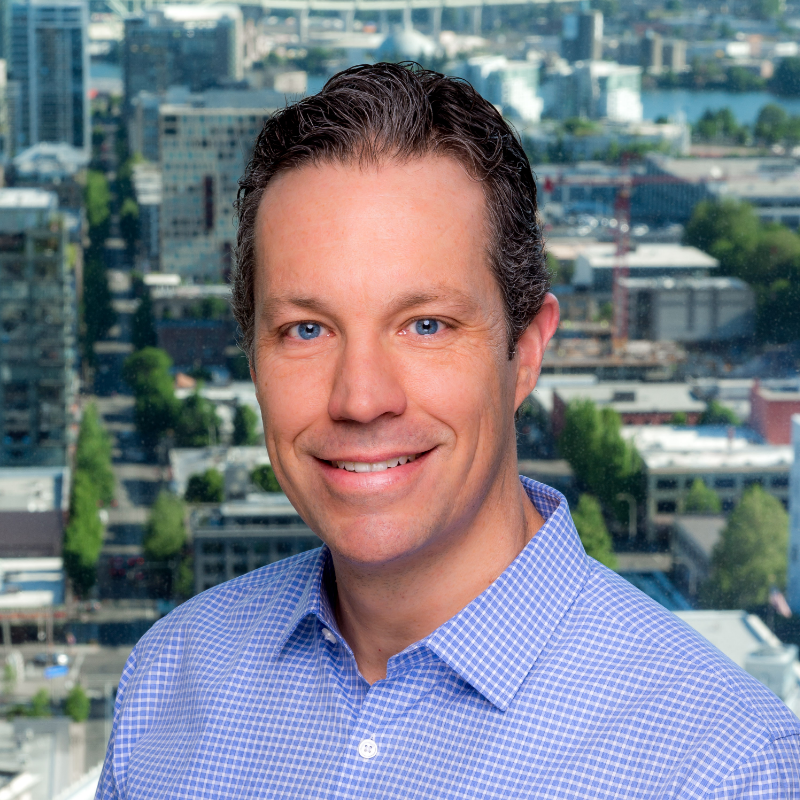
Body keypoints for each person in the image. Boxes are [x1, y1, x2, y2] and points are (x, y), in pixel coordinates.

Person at [97, 64, 800, 799]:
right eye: (306, 329)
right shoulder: (168, 682)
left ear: (525, 351)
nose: (361, 398)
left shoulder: (725, 765)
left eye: (425, 325)